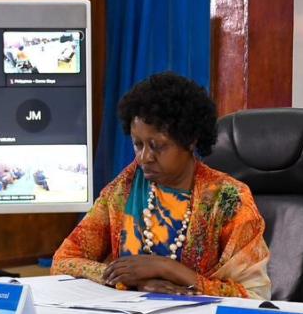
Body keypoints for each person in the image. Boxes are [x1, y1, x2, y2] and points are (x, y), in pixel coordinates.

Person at [52, 72, 270, 298]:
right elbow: (63, 260)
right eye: (138, 144)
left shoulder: (228, 199)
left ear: (190, 140)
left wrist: (168, 269)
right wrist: (129, 280)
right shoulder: (123, 190)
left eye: (157, 146)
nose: (144, 157)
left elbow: (255, 295)